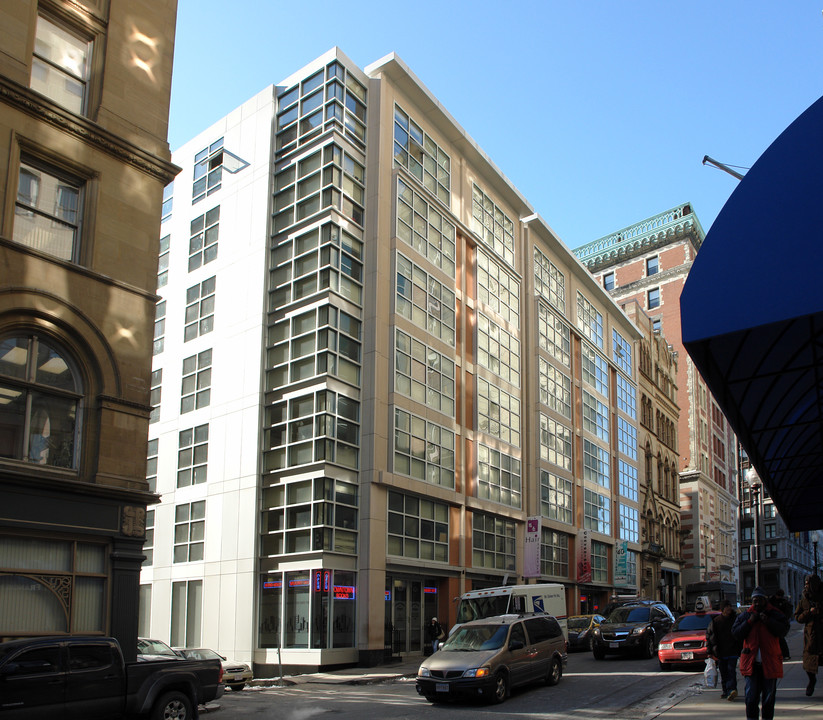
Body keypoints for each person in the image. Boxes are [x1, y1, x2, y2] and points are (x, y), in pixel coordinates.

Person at [732, 586, 790, 720]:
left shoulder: (774, 614)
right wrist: (749, 622)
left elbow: (783, 631)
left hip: (769, 663)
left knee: (768, 698)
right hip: (751, 664)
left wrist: (768, 621)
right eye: (754, 601)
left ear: (765, 601)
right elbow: (736, 633)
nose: (757, 603)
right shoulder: (746, 615)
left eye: (759, 600)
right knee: (751, 698)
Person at [706, 599, 743, 701]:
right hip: (721, 651)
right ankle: (726, 690)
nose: (729, 609)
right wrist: (710, 651)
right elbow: (709, 636)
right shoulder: (716, 621)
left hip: (733, 650)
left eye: (729, 606)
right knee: (723, 671)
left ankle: (732, 689)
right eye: (726, 607)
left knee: (731, 670)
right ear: (722, 609)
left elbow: (741, 633)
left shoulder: (735, 619)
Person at [795, 574, 823, 696]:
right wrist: (809, 613)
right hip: (811, 637)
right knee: (809, 663)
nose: (806, 586)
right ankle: (812, 681)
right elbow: (798, 617)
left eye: (808, 584)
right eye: (805, 584)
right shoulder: (804, 600)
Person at [769, 588, 793, 660]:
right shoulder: (775, 602)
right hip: (775, 622)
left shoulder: (773, 602)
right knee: (779, 639)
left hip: (777, 623)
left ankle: (783, 654)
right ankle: (783, 654)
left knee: (780, 639)